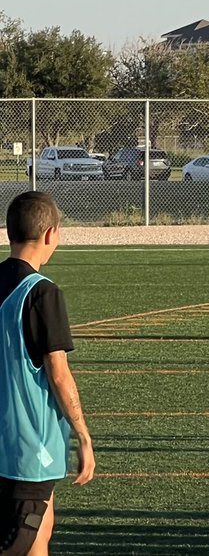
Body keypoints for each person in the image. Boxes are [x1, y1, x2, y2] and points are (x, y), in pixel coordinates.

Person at [1, 192, 95, 556]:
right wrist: (83, 435)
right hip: (28, 449)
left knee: (42, 529)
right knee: (20, 540)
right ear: (50, 234)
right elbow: (59, 375)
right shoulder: (42, 293)